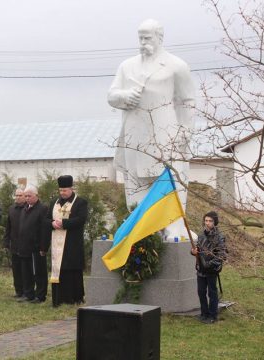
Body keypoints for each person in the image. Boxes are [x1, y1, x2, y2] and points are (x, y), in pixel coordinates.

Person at [107, 19, 195, 239]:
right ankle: (143, 232)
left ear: (160, 37)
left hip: (166, 136)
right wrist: (125, 97)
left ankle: (174, 228)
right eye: (140, 37)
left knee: (168, 182)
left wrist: (185, 131)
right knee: (136, 184)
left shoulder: (176, 65)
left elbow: (187, 101)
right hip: (134, 136)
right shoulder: (127, 66)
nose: (143, 42)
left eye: (147, 37)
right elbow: (112, 95)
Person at [45, 175, 88, 307]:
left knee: (72, 270)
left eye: (65, 190)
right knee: (60, 270)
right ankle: (59, 298)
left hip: (72, 243)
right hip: (57, 243)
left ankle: (75, 298)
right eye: (60, 190)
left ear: (71, 189)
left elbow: (81, 219)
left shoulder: (80, 202)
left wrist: (64, 223)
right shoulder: (54, 202)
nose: (62, 193)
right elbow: (45, 219)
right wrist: (52, 223)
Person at [191, 211, 227, 324]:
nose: (207, 223)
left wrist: (209, 264)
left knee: (212, 293)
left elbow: (222, 255)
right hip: (200, 269)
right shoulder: (201, 235)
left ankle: (212, 315)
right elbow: (197, 249)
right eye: (206, 220)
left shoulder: (219, 237)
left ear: (215, 222)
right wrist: (193, 251)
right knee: (201, 292)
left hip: (212, 270)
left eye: (210, 221)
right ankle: (204, 313)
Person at [19, 186, 49, 303]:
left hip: (36, 247)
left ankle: (40, 295)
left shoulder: (42, 209)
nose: (27, 198)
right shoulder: (24, 208)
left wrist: (43, 247)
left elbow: (44, 229)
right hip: (24, 246)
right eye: (25, 196)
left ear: (36, 195)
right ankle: (29, 294)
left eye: (29, 196)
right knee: (26, 272)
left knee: (39, 272)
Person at [3, 188, 26, 298]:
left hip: (26, 245)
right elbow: (8, 226)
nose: (17, 197)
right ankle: (18, 291)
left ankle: (27, 291)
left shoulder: (28, 208)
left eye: (20, 195)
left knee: (25, 269)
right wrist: (6, 241)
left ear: (25, 196)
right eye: (16, 195)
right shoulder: (12, 209)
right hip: (14, 244)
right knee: (16, 269)